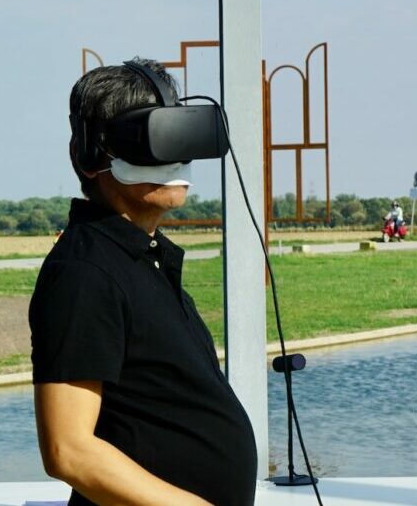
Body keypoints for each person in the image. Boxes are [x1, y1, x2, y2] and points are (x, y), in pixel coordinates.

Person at [29, 58, 257, 505]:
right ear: (92, 157)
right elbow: (67, 450)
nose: (173, 154)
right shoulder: (84, 273)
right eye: (155, 137)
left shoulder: (141, 257)